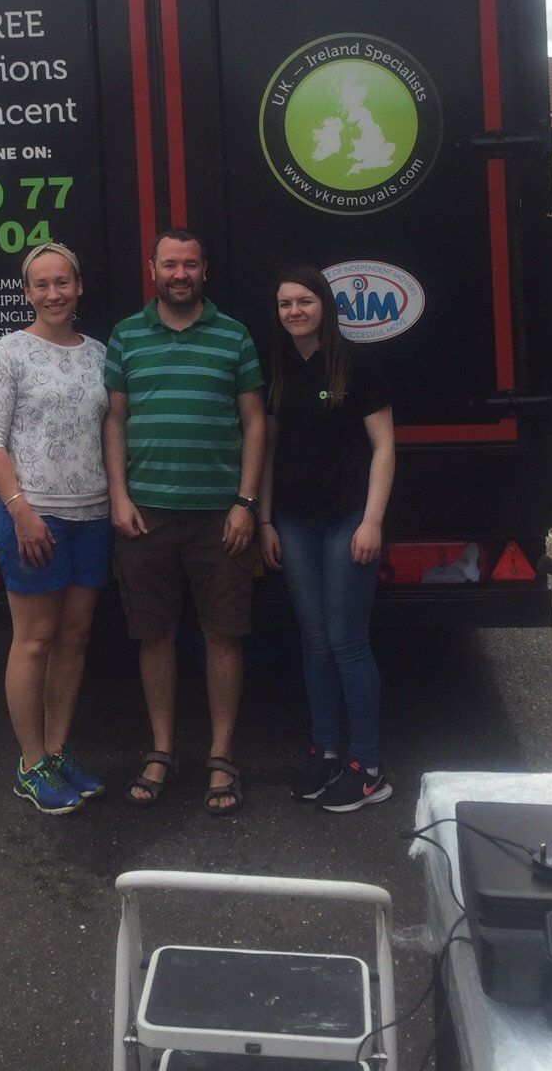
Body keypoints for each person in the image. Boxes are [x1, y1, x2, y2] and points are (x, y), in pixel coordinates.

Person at [103, 228, 266, 815]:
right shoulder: (125, 336)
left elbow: (254, 422)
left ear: (204, 272)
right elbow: (115, 420)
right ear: (152, 269)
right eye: (169, 263)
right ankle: (162, 750)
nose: (179, 274)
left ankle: (221, 756)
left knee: (224, 635)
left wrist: (245, 503)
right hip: (145, 516)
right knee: (154, 636)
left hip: (221, 519)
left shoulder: (234, 335)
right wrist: (118, 496)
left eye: (189, 264)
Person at [0, 241, 112, 815]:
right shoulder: (8, 354)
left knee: (74, 640)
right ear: (27, 292)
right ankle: (30, 765)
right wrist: (22, 512)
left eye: (63, 282)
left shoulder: (99, 354)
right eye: (42, 284)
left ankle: (56, 753)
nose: (53, 293)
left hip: (93, 515)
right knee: (33, 643)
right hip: (35, 518)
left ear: (79, 287)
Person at [259, 265, 396, 812]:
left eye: (304, 302)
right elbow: (267, 449)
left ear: (324, 304)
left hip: (347, 521)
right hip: (293, 522)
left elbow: (384, 447)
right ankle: (326, 751)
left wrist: (372, 521)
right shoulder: (278, 368)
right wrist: (265, 520)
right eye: (285, 304)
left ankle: (368, 766)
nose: (294, 311)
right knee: (313, 641)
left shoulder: (357, 362)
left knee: (347, 640)